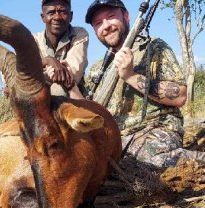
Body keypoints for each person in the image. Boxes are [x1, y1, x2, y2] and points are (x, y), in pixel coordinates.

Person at [70, 0, 204, 168]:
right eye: (98, 23)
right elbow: (91, 110)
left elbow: (180, 96)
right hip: (116, 138)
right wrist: (70, 85)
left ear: (126, 16)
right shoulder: (98, 68)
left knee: (144, 158)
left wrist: (130, 76)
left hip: (154, 130)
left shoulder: (154, 47)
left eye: (111, 17)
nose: (106, 26)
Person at [33, 0, 89, 96]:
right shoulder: (34, 40)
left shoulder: (79, 34)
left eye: (62, 12)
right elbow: (17, 69)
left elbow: (72, 73)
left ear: (71, 16)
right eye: (51, 12)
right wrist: (47, 60)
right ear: (43, 17)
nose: (57, 17)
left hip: (74, 95)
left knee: (58, 89)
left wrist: (38, 73)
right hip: (39, 94)